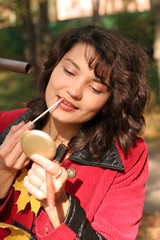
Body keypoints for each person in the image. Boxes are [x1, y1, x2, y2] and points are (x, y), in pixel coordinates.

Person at [0, 25, 150, 239]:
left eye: (95, 88)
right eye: (69, 71)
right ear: (53, 67)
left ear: (110, 101)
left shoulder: (129, 157)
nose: (74, 91)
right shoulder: (4, 123)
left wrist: (61, 206)